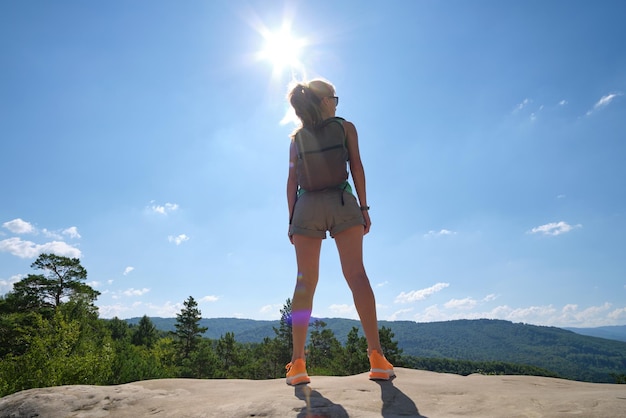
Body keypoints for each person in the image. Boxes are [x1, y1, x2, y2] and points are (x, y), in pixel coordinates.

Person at [285, 78, 395, 385]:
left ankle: (298, 364)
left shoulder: (297, 139)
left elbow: (291, 183)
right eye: (335, 98)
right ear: (325, 102)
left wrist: (292, 219)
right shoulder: (346, 128)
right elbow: (357, 167)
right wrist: (364, 208)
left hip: (307, 206)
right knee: (357, 275)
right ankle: (377, 358)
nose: (337, 102)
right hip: (343, 201)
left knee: (305, 281)